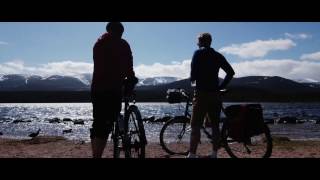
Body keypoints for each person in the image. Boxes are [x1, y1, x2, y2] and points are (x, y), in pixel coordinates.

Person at [90, 22, 137, 158]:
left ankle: (97, 155)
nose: (119, 35)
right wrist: (130, 78)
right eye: (119, 33)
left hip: (100, 89)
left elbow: (105, 66)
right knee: (105, 123)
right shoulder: (121, 44)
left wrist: (129, 76)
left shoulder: (100, 43)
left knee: (101, 124)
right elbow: (128, 65)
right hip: (110, 88)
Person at [187, 33, 235, 158]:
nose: (197, 44)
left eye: (198, 42)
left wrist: (194, 84)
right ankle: (214, 154)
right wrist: (220, 87)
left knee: (195, 125)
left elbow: (193, 75)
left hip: (201, 94)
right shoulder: (218, 55)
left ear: (201, 42)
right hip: (215, 94)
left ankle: (192, 154)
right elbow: (231, 72)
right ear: (210, 42)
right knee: (215, 125)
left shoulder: (197, 53)